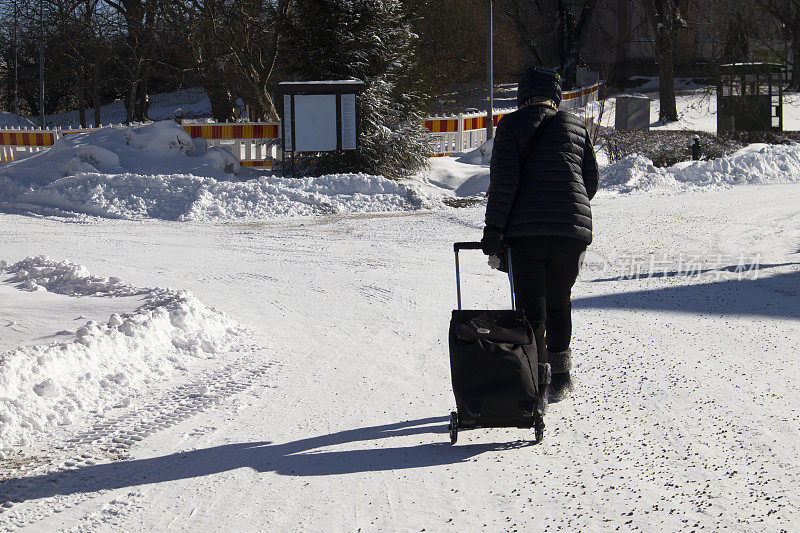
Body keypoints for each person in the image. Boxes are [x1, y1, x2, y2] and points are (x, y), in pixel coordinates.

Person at [481, 66, 598, 403]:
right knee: (560, 300)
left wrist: (494, 232)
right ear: (557, 94)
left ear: (522, 96)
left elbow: (505, 185)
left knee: (533, 309)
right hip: (571, 233)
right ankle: (562, 378)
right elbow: (590, 180)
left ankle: (538, 379)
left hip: (527, 235)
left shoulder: (512, 126)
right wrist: (566, 209)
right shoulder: (576, 126)